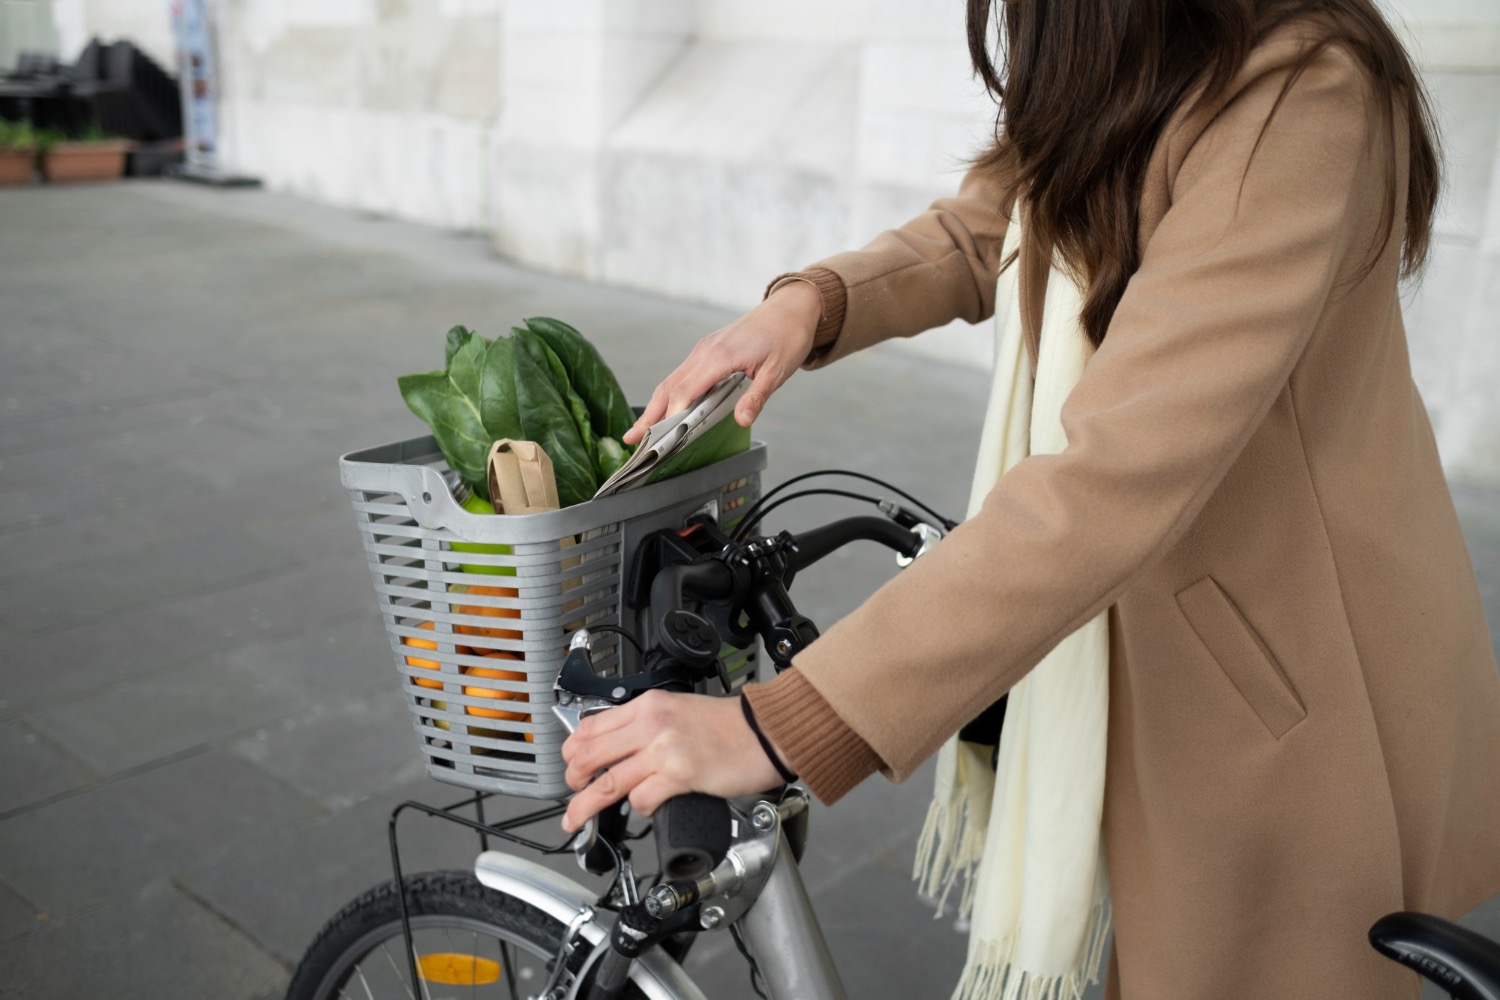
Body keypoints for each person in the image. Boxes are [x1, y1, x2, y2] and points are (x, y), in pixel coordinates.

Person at [560, 1, 1500, 997]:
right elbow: (1007, 215)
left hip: (1283, 685)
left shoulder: (1304, 93)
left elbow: (1111, 476)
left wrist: (782, 725)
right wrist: (816, 302)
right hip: (1145, 631)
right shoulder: (1153, 50)